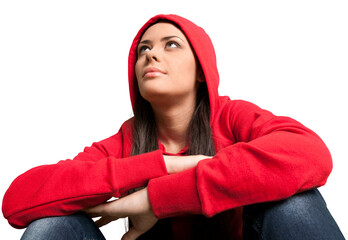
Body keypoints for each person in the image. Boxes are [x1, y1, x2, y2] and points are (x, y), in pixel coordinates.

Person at [2, 14, 345, 240]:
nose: (151, 55)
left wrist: (156, 199)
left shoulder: (232, 118)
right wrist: (164, 164)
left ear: (201, 69)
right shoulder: (124, 142)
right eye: (143, 49)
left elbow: (310, 155)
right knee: (51, 224)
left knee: (295, 202)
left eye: (171, 45)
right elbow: (17, 202)